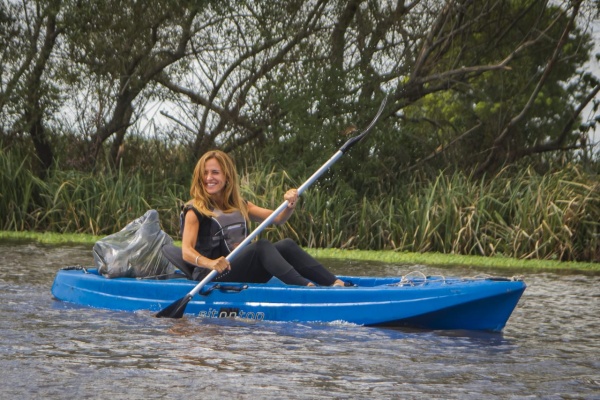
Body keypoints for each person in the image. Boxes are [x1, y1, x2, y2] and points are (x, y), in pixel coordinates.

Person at [178, 150, 346, 287]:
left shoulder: (241, 205)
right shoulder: (195, 211)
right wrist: (210, 263)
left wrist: (290, 204)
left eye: (215, 172)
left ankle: (335, 283)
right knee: (261, 246)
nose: (209, 178)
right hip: (211, 276)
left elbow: (279, 218)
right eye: (205, 173)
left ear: (227, 176)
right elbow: (186, 251)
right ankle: (306, 288)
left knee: (286, 245)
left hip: (238, 271)